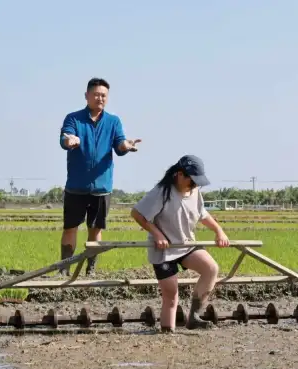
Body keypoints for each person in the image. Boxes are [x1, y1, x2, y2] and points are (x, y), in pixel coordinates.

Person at [131, 155, 229, 332]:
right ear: (179, 174)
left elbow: (203, 215)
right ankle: (168, 332)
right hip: (165, 250)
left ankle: (194, 316)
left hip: (185, 244)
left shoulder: (195, 192)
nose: (194, 185)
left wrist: (218, 230)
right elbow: (137, 214)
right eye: (191, 181)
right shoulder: (162, 191)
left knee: (211, 268)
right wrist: (157, 234)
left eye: (196, 182)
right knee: (171, 295)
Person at [59, 77, 142, 276]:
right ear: (87, 96)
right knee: (70, 227)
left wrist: (126, 146)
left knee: (95, 230)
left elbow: (120, 144)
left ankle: (91, 269)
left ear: (107, 97)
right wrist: (70, 140)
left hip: (102, 188)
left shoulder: (113, 121)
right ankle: (64, 269)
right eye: (95, 94)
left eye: (103, 95)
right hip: (76, 186)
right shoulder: (74, 118)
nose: (99, 98)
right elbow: (65, 137)